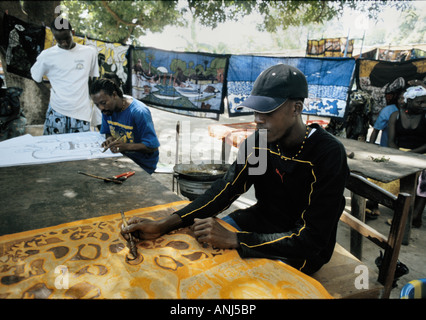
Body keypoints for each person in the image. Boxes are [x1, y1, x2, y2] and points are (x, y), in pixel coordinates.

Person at [121, 64, 349, 275]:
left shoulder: (327, 154)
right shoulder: (259, 143)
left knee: (226, 274)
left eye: (267, 112)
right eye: (256, 111)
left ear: (296, 108)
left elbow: (311, 238)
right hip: (258, 223)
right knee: (190, 248)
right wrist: (164, 224)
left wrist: (237, 240)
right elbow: (225, 190)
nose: (258, 120)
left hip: (302, 249)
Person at [30, 17, 99, 135]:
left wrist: (93, 102)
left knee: (80, 150)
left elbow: (92, 79)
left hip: (81, 113)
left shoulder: (90, 52)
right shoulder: (46, 56)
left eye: (67, 38)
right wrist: (47, 93)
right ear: (53, 36)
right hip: (57, 112)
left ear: (72, 33)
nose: (64, 43)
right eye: (59, 40)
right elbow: (36, 77)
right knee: (53, 149)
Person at [90, 79, 160, 174]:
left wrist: (126, 146)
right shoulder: (107, 110)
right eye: (97, 104)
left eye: (103, 103)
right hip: (122, 158)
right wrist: (110, 138)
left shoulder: (139, 112)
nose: (100, 108)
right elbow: (107, 131)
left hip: (142, 164)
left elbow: (153, 146)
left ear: (114, 95)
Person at [388, 85, 426, 228]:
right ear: (409, 101)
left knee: (424, 180)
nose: (424, 105)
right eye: (420, 102)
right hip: (399, 152)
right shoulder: (395, 115)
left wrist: (409, 155)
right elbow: (391, 141)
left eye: (425, 102)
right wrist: (399, 154)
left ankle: (415, 215)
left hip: (421, 153)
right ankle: (375, 205)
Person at [369, 77, 405, 147]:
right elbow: (376, 130)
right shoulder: (388, 110)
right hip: (386, 149)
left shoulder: (418, 114)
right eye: (400, 98)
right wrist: (370, 147)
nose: (402, 101)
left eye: (404, 98)